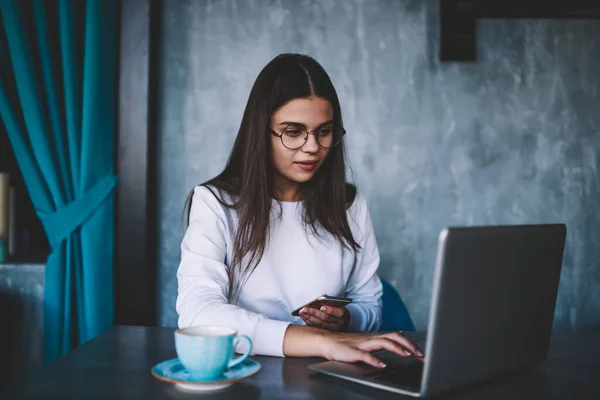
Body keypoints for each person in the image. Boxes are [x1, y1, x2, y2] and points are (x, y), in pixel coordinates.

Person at [176, 53, 423, 369]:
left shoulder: (348, 203)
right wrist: (321, 342)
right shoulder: (215, 202)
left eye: (324, 131)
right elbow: (198, 314)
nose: (312, 147)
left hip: (328, 373)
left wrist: (345, 319)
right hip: (247, 373)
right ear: (260, 133)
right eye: (293, 131)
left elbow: (371, 303)